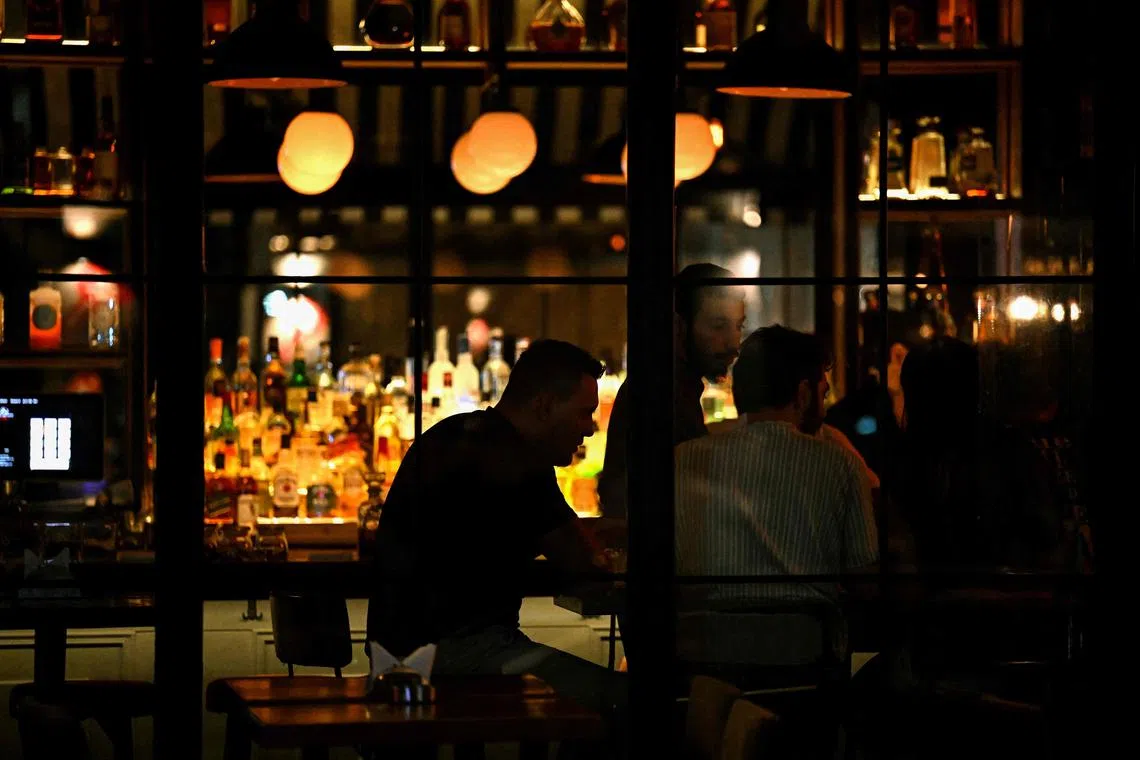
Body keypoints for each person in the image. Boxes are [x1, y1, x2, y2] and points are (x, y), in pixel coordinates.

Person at [366, 339, 625, 739]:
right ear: (542, 406)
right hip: (459, 655)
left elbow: (559, 534)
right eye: (583, 414)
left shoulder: (451, 435)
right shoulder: (519, 460)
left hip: (393, 654)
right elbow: (579, 559)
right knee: (623, 699)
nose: (589, 429)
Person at [675, 325, 879, 611]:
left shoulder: (684, 459)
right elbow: (865, 580)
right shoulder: (840, 464)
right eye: (822, 395)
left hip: (705, 646)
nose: (823, 410)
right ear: (804, 394)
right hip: (808, 647)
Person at [599, 263, 746, 518]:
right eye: (719, 326)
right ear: (678, 326)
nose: (734, 342)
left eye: (738, 326)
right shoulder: (659, 393)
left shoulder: (671, 385)